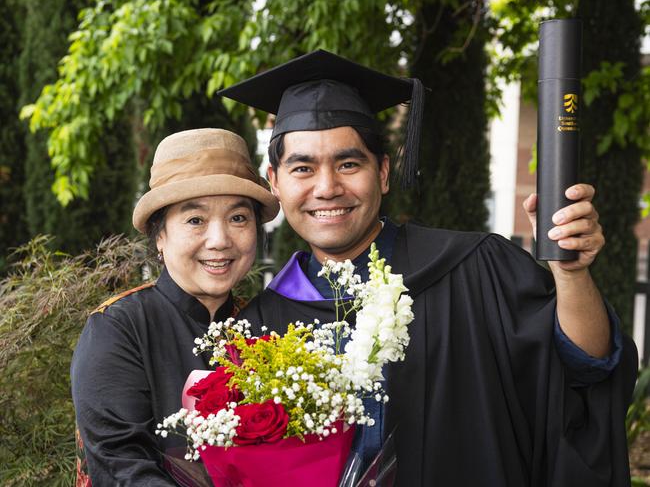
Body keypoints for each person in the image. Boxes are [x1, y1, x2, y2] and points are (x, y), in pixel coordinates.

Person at [219, 50, 638, 486]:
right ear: (275, 182)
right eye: (303, 168)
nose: (327, 188)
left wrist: (570, 275)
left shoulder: (476, 268)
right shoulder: (261, 326)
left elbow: (586, 367)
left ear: (382, 173)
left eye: (348, 164)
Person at [71, 128, 279, 485]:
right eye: (195, 220)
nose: (219, 240)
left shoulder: (269, 329)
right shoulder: (119, 327)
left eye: (238, 218)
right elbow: (122, 465)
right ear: (160, 235)